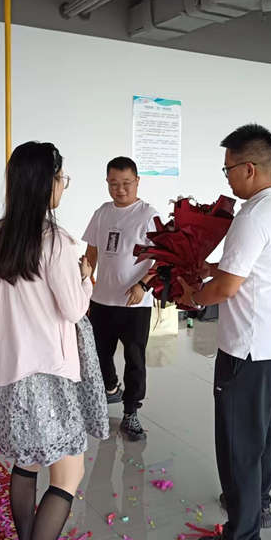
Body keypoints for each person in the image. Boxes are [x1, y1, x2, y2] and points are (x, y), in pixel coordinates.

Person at [0, 141, 109, 540]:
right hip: (49, 373)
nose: (63, 186)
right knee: (68, 475)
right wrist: (85, 277)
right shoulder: (56, 242)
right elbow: (74, 309)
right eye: (61, 178)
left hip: (6, 369)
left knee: (26, 463)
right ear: (46, 183)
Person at [176, 124, 271, 540]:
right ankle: (258, 504)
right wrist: (208, 268)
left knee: (238, 443)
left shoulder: (251, 216)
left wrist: (192, 295)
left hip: (250, 348)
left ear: (249, 168)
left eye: (228, 169)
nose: (227, 178)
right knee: (263, 432)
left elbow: (228, 287)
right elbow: (248, 267)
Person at [82, 157, 159, 442]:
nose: (120, 189)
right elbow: (92, 251)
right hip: (102, 300)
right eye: (114, 184)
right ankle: (111, 388)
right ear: (107, 183)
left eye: (126, 183)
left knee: (134, 359)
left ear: (137, 181)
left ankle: (131, 411)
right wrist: (85, 281)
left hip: (134, 304)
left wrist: (143, 285)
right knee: (99, 354)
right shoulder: (102, 212)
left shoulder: (149, 215)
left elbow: (162, 260)